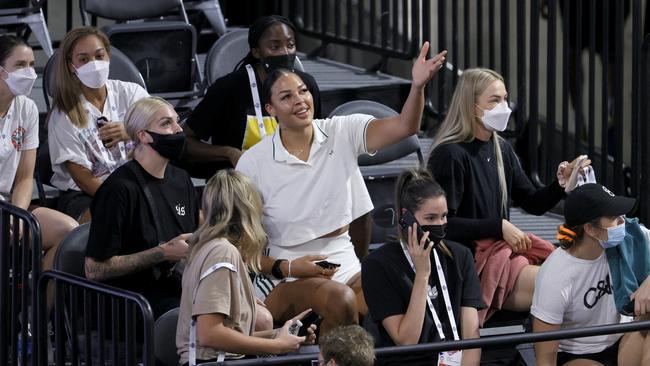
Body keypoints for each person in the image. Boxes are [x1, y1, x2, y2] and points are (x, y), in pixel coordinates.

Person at [236, 42, 447, 335]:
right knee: (339, 299)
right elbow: (241, 252)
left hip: (344, 264)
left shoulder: (340, 131)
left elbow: (404, 126)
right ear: (270, 109)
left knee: (391, 291)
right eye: (286, 97)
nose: (299, 100)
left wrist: (417, 86)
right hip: (283, 275)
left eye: (303, 91)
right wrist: (291, 267)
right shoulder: (252, 162)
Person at [427, 68, 588, 317]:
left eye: (504, 98)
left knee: (579, 276)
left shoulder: (501, 148)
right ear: (471, 106)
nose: (503, 106)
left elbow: (532, 203)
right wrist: (499, 226)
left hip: (504, 253)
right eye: (494, 100)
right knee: (564, 286)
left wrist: (560, 185)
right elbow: (443, 226)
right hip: (472, 261)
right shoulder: (449, 155)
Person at [176, 170, 316, 365]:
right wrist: (278, 346)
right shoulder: (222, 252)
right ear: (247, 209)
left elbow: (230, 335)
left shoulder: (209, 247)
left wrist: (281, 335)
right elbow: (209, 334)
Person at [85, 97, 197, 319]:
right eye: (166, 124)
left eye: (177, 121)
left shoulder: (181, 178)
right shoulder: (119, 189)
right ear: (143, 135)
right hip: (133, 302)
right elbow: (94, 269)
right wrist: (162, 253)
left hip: (176, 289)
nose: (177, 130)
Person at [362, 169, 483, 366]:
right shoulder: (377, 265)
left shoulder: (461, 256)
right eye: (430, 218)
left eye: (443, 216)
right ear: (406, 217)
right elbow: (406, 340)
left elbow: (471, 335)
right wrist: (422, 275)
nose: (440, 224)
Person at [182, 15, 321, 176]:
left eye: (290, 45)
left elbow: (317, 137)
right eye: (274, 47)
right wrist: (229, 153)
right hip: (239, 187)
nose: (285, 53)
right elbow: (186, 141)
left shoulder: (307, 86)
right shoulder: (228, 88)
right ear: (256, 52)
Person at [532, 183, 650, 365]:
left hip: (623, 339)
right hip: (579, 355)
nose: (622, 221)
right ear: (590, 229)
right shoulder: (555, 275)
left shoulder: (629, 237)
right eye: (613, 217)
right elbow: (545, 360)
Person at [0, 34, 78, 298]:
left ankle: (35, 320)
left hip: (10, 205)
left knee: (69, 233)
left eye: (32, 64)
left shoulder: (28, 108)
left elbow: (24, 178)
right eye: (20, 65)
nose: (30, 72)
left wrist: (16, 214)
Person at [48, 27, 149, 222]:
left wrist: (132, 131)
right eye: (83, 59)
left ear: (108, 56)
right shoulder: (63, 114)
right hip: (87, 194)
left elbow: (165, 133)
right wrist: (123, 198)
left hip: (139, 183)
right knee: (117, 216)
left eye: (99, 56)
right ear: (71, 65)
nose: (94, 64)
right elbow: (82, 177)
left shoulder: (132, 93)